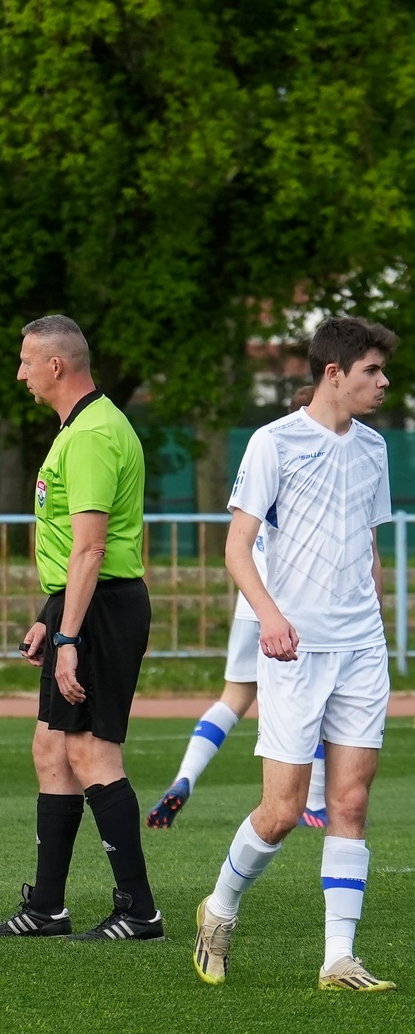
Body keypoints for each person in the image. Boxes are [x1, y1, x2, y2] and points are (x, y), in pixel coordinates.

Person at [193, 316, 397, 992]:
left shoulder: (374, 448)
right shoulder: (273, 442)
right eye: (372, 370)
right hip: (294, 651)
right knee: (281, 811)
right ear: (334, 373)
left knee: (350, 802)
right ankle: (220, 909)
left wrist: (375, 614)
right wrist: (271, 618)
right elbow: (236, 547)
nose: (384, 382)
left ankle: (339, 957)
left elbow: (369, 546)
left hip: (361, 647)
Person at [0, 315, 159, 941]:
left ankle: (139, 910)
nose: (20, 373)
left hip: (101, 608)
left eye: (26, 361)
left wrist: (69, 639)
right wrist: (48, 616)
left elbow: (91, 548)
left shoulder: (91, 435)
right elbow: (72, 552)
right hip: (82, 603)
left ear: (56, 365)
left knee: (89, 751)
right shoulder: (80, 427)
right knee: (51, 749)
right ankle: (47, 907)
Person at [148, 385, 328, 830]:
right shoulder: (324, 465)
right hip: (292, 603)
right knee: (317, 698)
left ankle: (185, 776)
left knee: (233, 698)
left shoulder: (268, 452)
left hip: (252, 601)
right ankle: (316, 803)